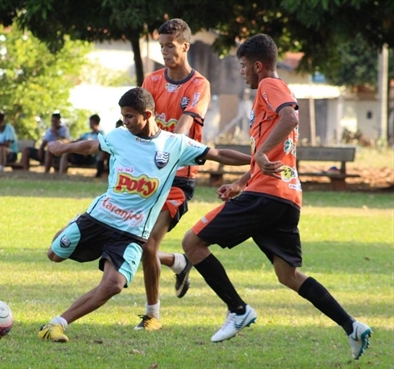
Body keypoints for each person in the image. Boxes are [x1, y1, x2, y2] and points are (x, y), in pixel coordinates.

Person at [181, 34, 372, 360]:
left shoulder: (270, 85)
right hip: (284, 197)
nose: (242, 72)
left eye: (243, 66)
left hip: (268, 196)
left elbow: (291, 118)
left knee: (191, 244)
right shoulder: (267, 97)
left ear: (257, 65)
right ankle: (352, 326)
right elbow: (269, 154)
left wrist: (263, 155)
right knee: (288, 275)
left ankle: (238, 310)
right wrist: (242, 181)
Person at [37, 87, 250, 343]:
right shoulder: (118, 136)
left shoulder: (175, 145)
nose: (124, 121)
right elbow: (92, 145)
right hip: (97, 218)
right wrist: (64, 147)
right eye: (122, 116)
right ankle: (80, 229)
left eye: (129, 116)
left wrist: (255, 161)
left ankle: (56, 324)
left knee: (113, 285)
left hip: (131, 232)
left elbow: (217, 154)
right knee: (54, 254)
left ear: (147, 114)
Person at [136, 18, 212, 330]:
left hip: (178, 176)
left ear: (185, 45)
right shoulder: (151, 81)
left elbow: (185, 124)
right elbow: (139, 121)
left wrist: (166, 149)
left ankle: (152, 315)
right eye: (161, 45)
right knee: (136, 242)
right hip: (147, 173)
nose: (165, 51)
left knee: (148, 243)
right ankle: (177, 262)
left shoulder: (199, 85)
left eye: (171, 45)